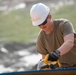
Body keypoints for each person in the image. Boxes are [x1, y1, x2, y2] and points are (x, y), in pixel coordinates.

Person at [30, 3, 76, 69]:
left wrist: (57, 53)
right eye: (39, 24)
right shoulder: (41, 38)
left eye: (43, 22)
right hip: (62, 71)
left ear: (50, 17)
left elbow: (69, 43)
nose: (42, 26)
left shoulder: (64, 25)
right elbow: (45, 60)